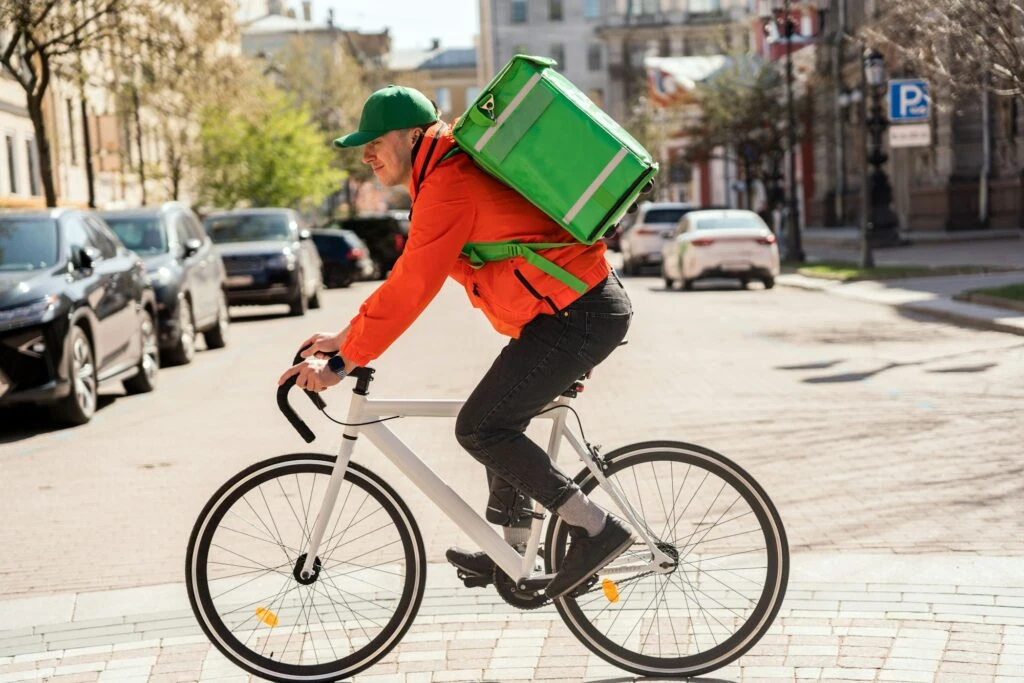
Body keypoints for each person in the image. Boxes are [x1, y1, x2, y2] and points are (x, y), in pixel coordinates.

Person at [277, 85, 634, 599]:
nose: (367, 154)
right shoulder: (443, 176)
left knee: (484, 427)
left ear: (412, 135)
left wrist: (345, 361)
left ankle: (595, 529)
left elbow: (412, 286)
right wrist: (345, 337)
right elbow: (410, 274)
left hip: (577, 315)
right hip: (568, 313)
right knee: (497, 417)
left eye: (375, 140)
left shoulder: (450, 183)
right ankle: (511, 551)